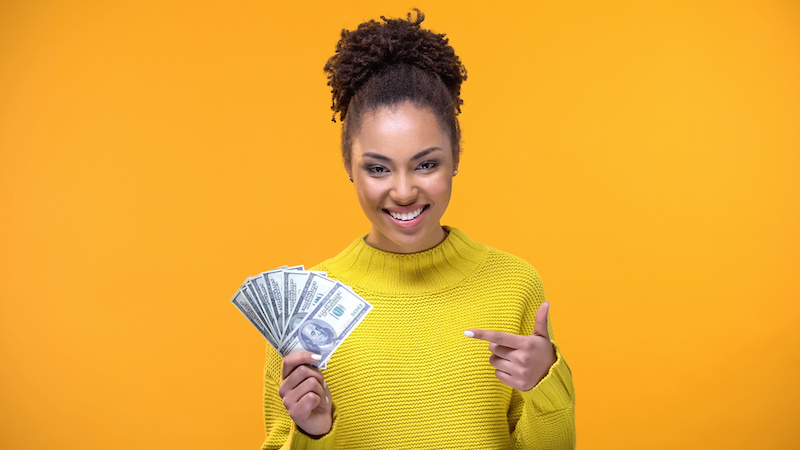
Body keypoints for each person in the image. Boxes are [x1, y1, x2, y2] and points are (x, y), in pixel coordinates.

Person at [262, 10, 575, 449]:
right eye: (378, 168)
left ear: (456, 158)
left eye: (426, 164)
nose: (404, 191)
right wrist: (313, 433)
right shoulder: (304, 305)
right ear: (349, 167)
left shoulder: (514, 285)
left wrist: (544, 383)